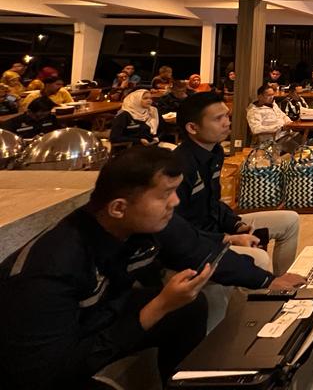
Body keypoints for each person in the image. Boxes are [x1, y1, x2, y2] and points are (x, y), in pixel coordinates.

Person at [0, 147, 213, 389]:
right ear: (118, 208)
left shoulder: (128, 228)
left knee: (189, 308)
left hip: (94, 317)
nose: (175, 201)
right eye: (165, 195)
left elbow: (190, 246)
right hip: (38, 368)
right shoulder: (50, 269)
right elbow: (46, 374)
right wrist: (160, 305)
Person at [173, 92, 304, 324]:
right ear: (192, 128)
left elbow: (213, 204)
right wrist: (228, 239)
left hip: (216, 229)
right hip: (198, 243)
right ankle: (255, 317)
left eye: (227, 116)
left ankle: (283, 287)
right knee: (258, 258)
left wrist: (236, 224)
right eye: (218, 119)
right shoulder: (179, 167)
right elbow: (179, 230)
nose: (227, 122)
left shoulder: (214, 152)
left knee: (290, 220)